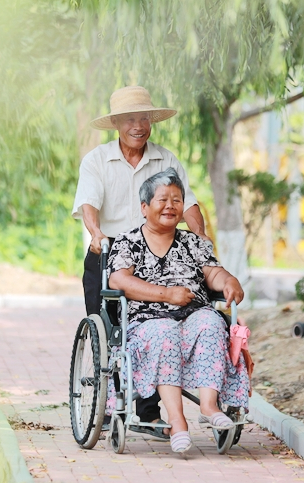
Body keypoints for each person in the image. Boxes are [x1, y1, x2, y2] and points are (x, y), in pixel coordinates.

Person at [72, 85, 209, 439]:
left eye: (144, 118)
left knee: (159, 320)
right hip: (111, 250)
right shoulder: (97, 160)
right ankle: (110, 398)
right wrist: (96, 233)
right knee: (113, 329)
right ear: (117, 122)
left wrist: (200, 238)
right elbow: (88, 203)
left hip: (159, 249)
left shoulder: (166, 159)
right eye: (130, 118)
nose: (138, 125)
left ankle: (148, 412)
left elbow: (188, 203)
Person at [107, 168, 250, 454]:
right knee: (164, 331)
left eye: (176, 200)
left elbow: (213, 274)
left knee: (212, 322)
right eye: (163, 200)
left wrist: (229, 281)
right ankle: (177, 421)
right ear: (144, 207)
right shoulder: (128, 241)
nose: (170, 206)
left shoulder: (192, 243)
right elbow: (118, 280)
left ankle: (209, 406)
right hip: (148, 321)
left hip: (194, 315)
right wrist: (166, 294)